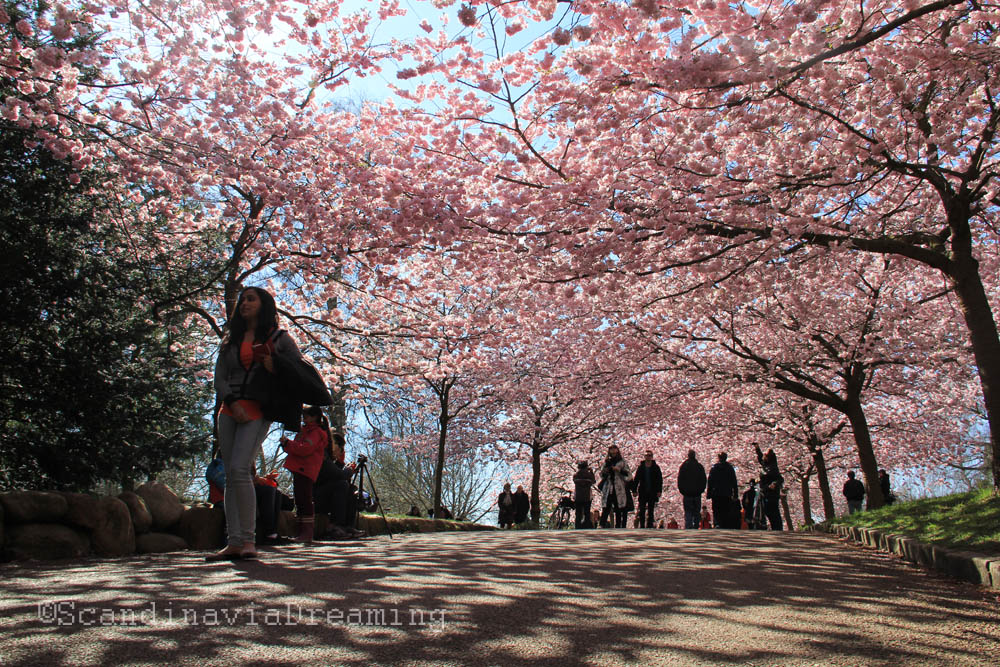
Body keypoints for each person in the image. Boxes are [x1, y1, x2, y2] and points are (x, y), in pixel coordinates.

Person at [208, 286, 305, 562]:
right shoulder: (231, 340)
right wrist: (231, 402)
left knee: (240, 469)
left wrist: (274, 366)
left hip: (258, 409)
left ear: (264, 305)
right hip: (229, 410)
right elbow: (220, 376)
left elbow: (297, 371)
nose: (244, 303)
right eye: (242, 300)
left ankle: (248, 540)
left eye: (251, 299)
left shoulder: (280, 338)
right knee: (230, 475)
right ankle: (234, 541)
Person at [279, 405, 330, 544]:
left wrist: (288, 444)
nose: (303, 418)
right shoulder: (307, 431)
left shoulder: (315, 432)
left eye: (306, 416)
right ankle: (302, 531)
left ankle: (306, 532)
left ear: (314, 417)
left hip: (305, 468)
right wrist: (287, 445)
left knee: (304, 498)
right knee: (300, 498)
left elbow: (305, 449)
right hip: (301, 468)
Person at [314, 432, 362, 539]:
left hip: (328, 497)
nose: (339, 448)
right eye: (337, 444)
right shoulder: (323, 458)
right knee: (341, 485)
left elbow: (339, 475)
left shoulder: (332, 461)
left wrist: (341, 463)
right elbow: (339, 475)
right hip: (315, 498)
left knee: (352, 489)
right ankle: (334, 526)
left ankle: (348, 525)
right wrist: (348, 470)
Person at [599, 445, 633, 528]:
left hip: (619, 487)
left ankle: (618, 525)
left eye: (615, 450)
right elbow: (601, 474)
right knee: (606, 505)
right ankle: (602, 524)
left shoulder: (622, 462)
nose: (613, 452)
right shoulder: (607, 462)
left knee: (618, 507)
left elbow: (629, 475)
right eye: (611, 450)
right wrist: (606, 471)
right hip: (609, 486)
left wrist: (619, 470)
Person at [755, 443, 784, 530]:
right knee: (768, 511)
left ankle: (777, 528)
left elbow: (780, 479)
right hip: (766, 492)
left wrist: (774, 484)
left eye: (765, 455)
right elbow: (760, 459)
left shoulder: (772, 468)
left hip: (772, 493)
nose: (763, 456)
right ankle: (776, 527)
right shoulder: (766, 465)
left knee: (773, 511)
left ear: (768, 457)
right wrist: (757, 448)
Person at [707, 452, 739, 529]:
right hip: (727, 493)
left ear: (719, 458)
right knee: (726, 510)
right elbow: (734, 481)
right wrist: (735, 493)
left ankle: (717, 524)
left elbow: (710, 481)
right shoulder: (730, 468)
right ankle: (725, 524)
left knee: (716, 510)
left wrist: (709, 493)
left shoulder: (714, 468)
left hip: (716, 493)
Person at [633, 450, 663, 529]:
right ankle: (642, 525)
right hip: (643, 491)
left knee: (651, 510)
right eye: (646, 455)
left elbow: (659, 479)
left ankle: (649, 525)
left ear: (652, 457)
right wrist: (634, 490)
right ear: (644, 456)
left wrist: (659, 490)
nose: (648, 457)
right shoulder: (641, 467)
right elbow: (636, 479)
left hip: (652, 491)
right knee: (642, 509)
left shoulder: (656, 467)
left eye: (649, 455)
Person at [677, 449, 707, 529]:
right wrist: (701, 489)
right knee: (696, 511)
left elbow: (680, 479)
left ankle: (688, 526)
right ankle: (696, 526)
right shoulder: (699, 466)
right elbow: (704, 480)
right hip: (697, 493)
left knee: (688, 511)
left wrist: (682, 490)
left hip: (687, 493)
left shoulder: (684, 466)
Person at [573, 461, 596, 529]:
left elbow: (574, 480)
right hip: (587, 496)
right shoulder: (589, 475)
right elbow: (593, 481)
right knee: (587, 513)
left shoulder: (576, 475)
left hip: (578, 496)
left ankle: (577, 527)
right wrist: (591, 472)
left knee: (578, 514)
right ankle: (586, 527)